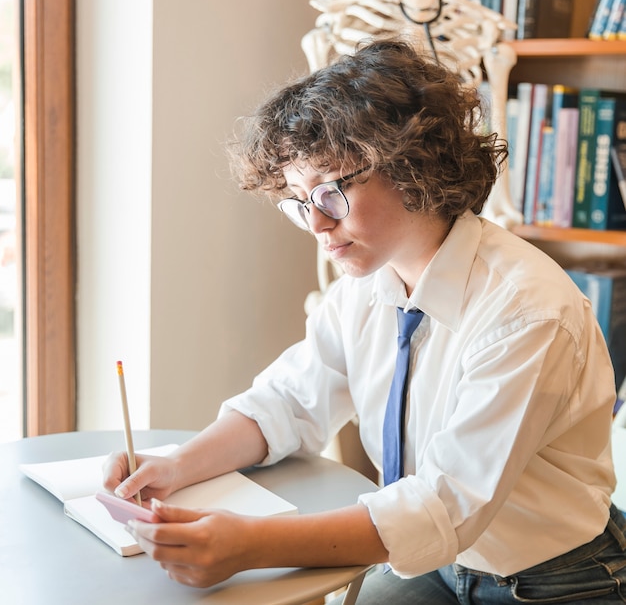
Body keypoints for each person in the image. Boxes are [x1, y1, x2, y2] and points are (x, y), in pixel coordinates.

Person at [103, 38, 626, 603]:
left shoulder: (527, 313)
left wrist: (250, 545)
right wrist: (175, 467)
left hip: (553, 576)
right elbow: (289, 402)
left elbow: (444, 506)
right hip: (432, 561)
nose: (318, 227)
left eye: (330, 194)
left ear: (410, 165)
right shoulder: (370, 282)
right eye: (301, 202)